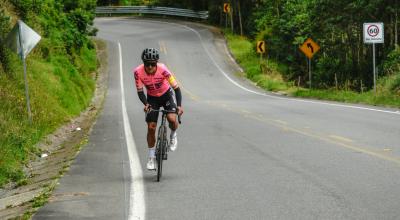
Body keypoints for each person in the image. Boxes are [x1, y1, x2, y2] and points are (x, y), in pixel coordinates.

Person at [133, 48, 183, 170]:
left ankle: (173, 135)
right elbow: (140, 92)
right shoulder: (138, 72)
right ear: (143, 63)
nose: (150, 67)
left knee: (172, 118)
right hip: (152, 98)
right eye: (147, 64)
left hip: (166, 95)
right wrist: (146, 104)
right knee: (151, 127)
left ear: (156, 63)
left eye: (152, 64)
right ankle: (151, 157)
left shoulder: (163, 69)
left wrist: (179, 106)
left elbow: (176, 88)